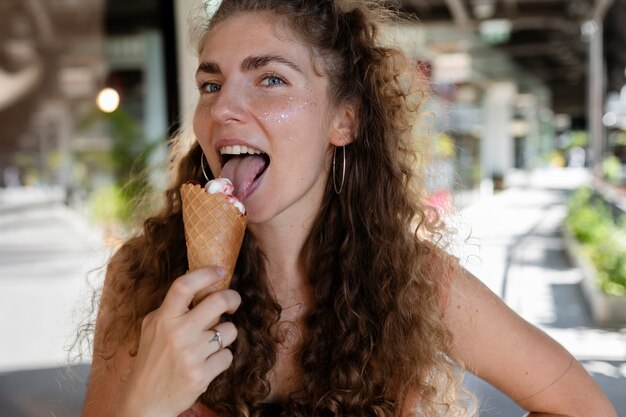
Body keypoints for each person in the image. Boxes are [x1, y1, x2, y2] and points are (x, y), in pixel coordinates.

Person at [82, 1, 616, 416]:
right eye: (211, 83)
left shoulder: (415, 283)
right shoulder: (142, 276)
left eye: (270, 79)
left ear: (345, 120)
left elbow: (578, 405)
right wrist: (144, 405)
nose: (221, 107)